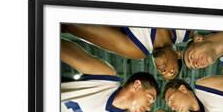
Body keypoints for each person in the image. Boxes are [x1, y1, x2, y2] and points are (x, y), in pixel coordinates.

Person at [62, 24, 192, 80]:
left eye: (161, 73)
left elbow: (73, 26)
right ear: (178, 54)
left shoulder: (137, 48)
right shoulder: (185, 31)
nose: (163, 71)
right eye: (171, 71)